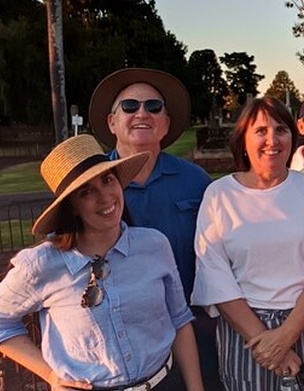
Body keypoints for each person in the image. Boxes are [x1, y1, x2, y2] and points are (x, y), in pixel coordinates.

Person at [0, 135, 204, 391]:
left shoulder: (154, 245)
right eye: (86, 192)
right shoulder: (41, 264)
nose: (105, 197)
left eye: (107, 180)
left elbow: (180, 320)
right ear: (71, 206)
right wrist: (49, 374)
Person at [191, 96, 304, 391]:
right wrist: (267, 343)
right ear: (243, 139)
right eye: (261, 131)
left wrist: (285, 336)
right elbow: (215, 276)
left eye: (281, 130)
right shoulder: (219, 195)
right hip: (246, 331)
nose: (272, 140)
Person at [88, 67, 220, 389]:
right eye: (130, 106)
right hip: (122, 340)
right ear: (112, 122)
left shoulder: (196, 181)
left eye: (154, 106)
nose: (142, 113)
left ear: (166, 123)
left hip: (194, 328)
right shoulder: (89, 186)